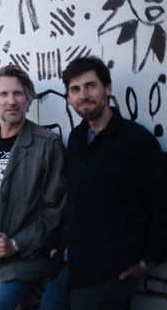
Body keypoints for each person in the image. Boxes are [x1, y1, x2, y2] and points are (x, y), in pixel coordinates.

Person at [38, 56, 167, 310]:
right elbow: (72, 198)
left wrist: (147, 262)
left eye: (90, 86)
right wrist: (55, 245)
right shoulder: (76, 139)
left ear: (107, 88)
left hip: (108, 276)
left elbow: (162, 204)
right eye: (75, 89)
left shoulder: (136, 140)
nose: (83, 95)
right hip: (67, 267)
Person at [0, 65, 66, 310]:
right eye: (3, 94)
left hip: (22, 259)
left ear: (28, 98)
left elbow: (54, 212)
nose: (11, 101)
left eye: (18, 93)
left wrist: (16, 243)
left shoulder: (47, 144)